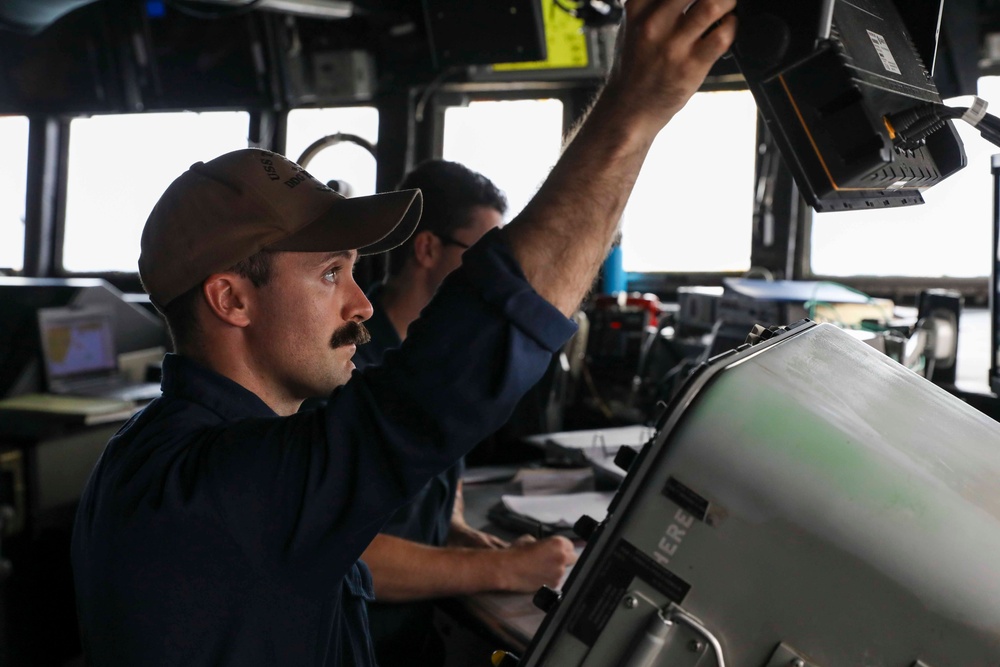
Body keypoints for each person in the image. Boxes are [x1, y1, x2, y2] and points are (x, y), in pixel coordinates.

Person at [70, 1, 738, 665]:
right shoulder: (222, 489)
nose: (362, 304)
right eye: (332, 274)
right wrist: (631, 113)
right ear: (231, 299)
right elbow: (443, 386)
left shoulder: (169, 452)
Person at [353, 159, 575, 666]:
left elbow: (432, 489)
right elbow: (353, 555)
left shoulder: (440, 363)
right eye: (483, 257)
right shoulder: (346, 366)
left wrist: (460, 535)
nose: (497, 278)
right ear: (427, 248)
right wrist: (501, 572)